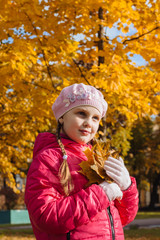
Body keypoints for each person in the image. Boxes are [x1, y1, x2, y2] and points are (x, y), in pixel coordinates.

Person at [25, 83, 139, 240]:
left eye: (95, 118)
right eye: (81, 113)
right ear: (62, 117)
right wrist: (102, 193)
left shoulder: (99, 158)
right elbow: (45, 216)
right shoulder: (49, 159)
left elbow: (123, 218)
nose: (89, 123)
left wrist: (127, 189)